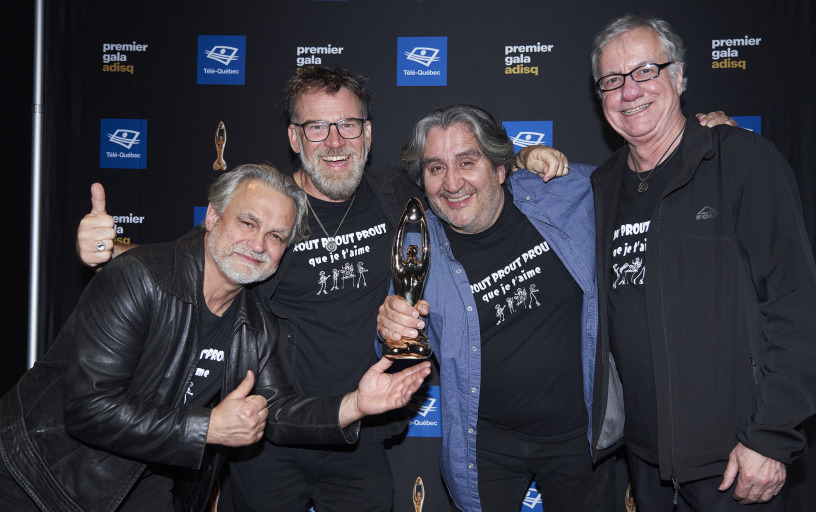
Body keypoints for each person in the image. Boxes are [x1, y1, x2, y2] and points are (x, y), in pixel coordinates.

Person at [75, 65, 566, 512]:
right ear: (294, 136)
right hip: (269, 435)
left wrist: (523, 156)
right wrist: (112, 252)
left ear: (367, 134)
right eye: (316, 127)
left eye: (348, 125)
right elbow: (198, 260)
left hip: (360, 429)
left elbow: (464, 176)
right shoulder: (269, 212)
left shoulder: (397, 194)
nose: (334, 141)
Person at [0, 164, 431, 512]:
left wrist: (356, 404)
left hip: (144, 478)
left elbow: (275, 411)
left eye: (277, 236)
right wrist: (208, 427)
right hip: (39, 474)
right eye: (247, 222)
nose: (258, 243)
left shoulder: (256, 322)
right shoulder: (139, 278)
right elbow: (87, 409)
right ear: (211, 217)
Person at [588, 15, 816, 510]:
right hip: (645, 461)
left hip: (737, 460)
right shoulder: (601, 187)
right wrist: (527, 161)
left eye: (644, 71)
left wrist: (770, 437)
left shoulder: (741, 162)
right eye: (612, 80)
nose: (628, 91)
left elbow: (796, 309)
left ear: (678, 77)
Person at [376, 105, 619, 512]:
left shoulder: (560, 195)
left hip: (578, 439)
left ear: (500, 169)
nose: (452, 182)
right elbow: (393, 353)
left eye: (467, 162)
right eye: (435, 168)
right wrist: (386, 329)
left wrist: (704, 134)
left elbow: (642, 179)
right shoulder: (420, 250)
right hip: (485, 446)